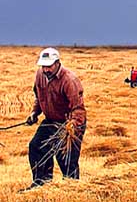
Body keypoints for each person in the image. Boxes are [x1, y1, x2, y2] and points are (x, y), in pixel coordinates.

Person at [21, 47, 87, 191]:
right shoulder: (40, 75)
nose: (46, 70)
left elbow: (78, 109)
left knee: (66, 158)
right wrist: (34, 113)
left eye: (49, 66)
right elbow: (39, 97)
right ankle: (41, 185)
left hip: (70, 123)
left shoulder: (70, 80)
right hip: (51, 120)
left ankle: (72, 189)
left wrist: (71, 129)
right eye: (43, 66)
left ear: (57, 63)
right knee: (36, 147)